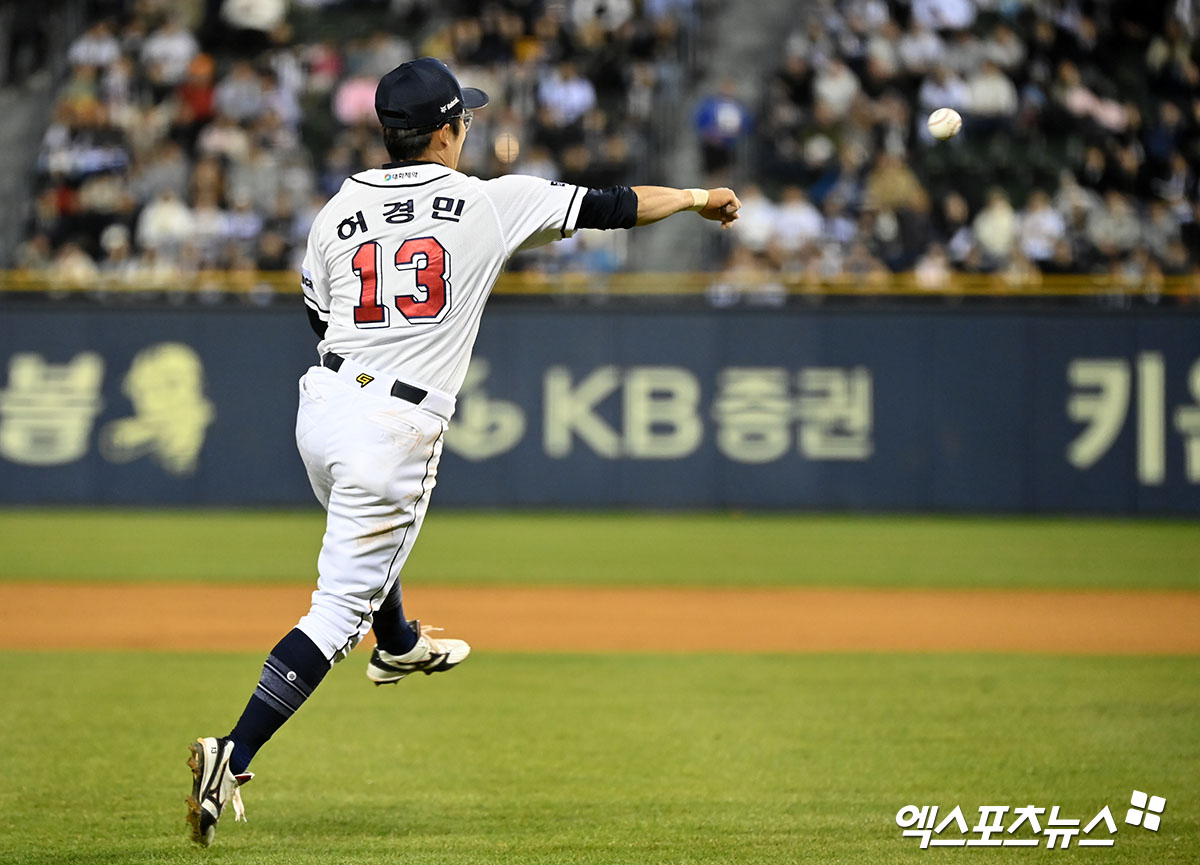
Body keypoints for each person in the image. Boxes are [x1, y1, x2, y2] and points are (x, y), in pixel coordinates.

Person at [185, 57, 740, 847]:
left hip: (322, 405)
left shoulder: (337, 207)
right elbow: (615, 206)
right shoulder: (488, 201)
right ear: (445, 132)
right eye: (463, 120)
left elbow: (320, 313)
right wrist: (693, 198)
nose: (467, 130)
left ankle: (403, 642)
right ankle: (231, 752)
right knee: (337, 607)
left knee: (368, 552)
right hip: (395, 427)